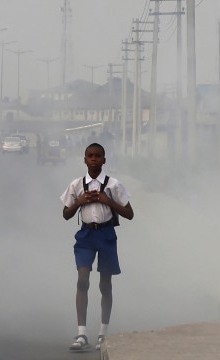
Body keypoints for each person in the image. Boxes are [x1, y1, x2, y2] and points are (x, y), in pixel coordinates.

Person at [60, 143, 134, 351]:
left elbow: (129, 213)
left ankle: (103, 332)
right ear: (84, 160)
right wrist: (79, 202)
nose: (93, 159)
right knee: (82, 280)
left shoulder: (113, 185)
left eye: (97, 156)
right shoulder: (76, 185)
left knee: (105, 284)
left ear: (104, 160)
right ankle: (81, 333)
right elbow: (66, 214)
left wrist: (108, 201)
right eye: (90, 156)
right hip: (86, 235)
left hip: (106, 234)